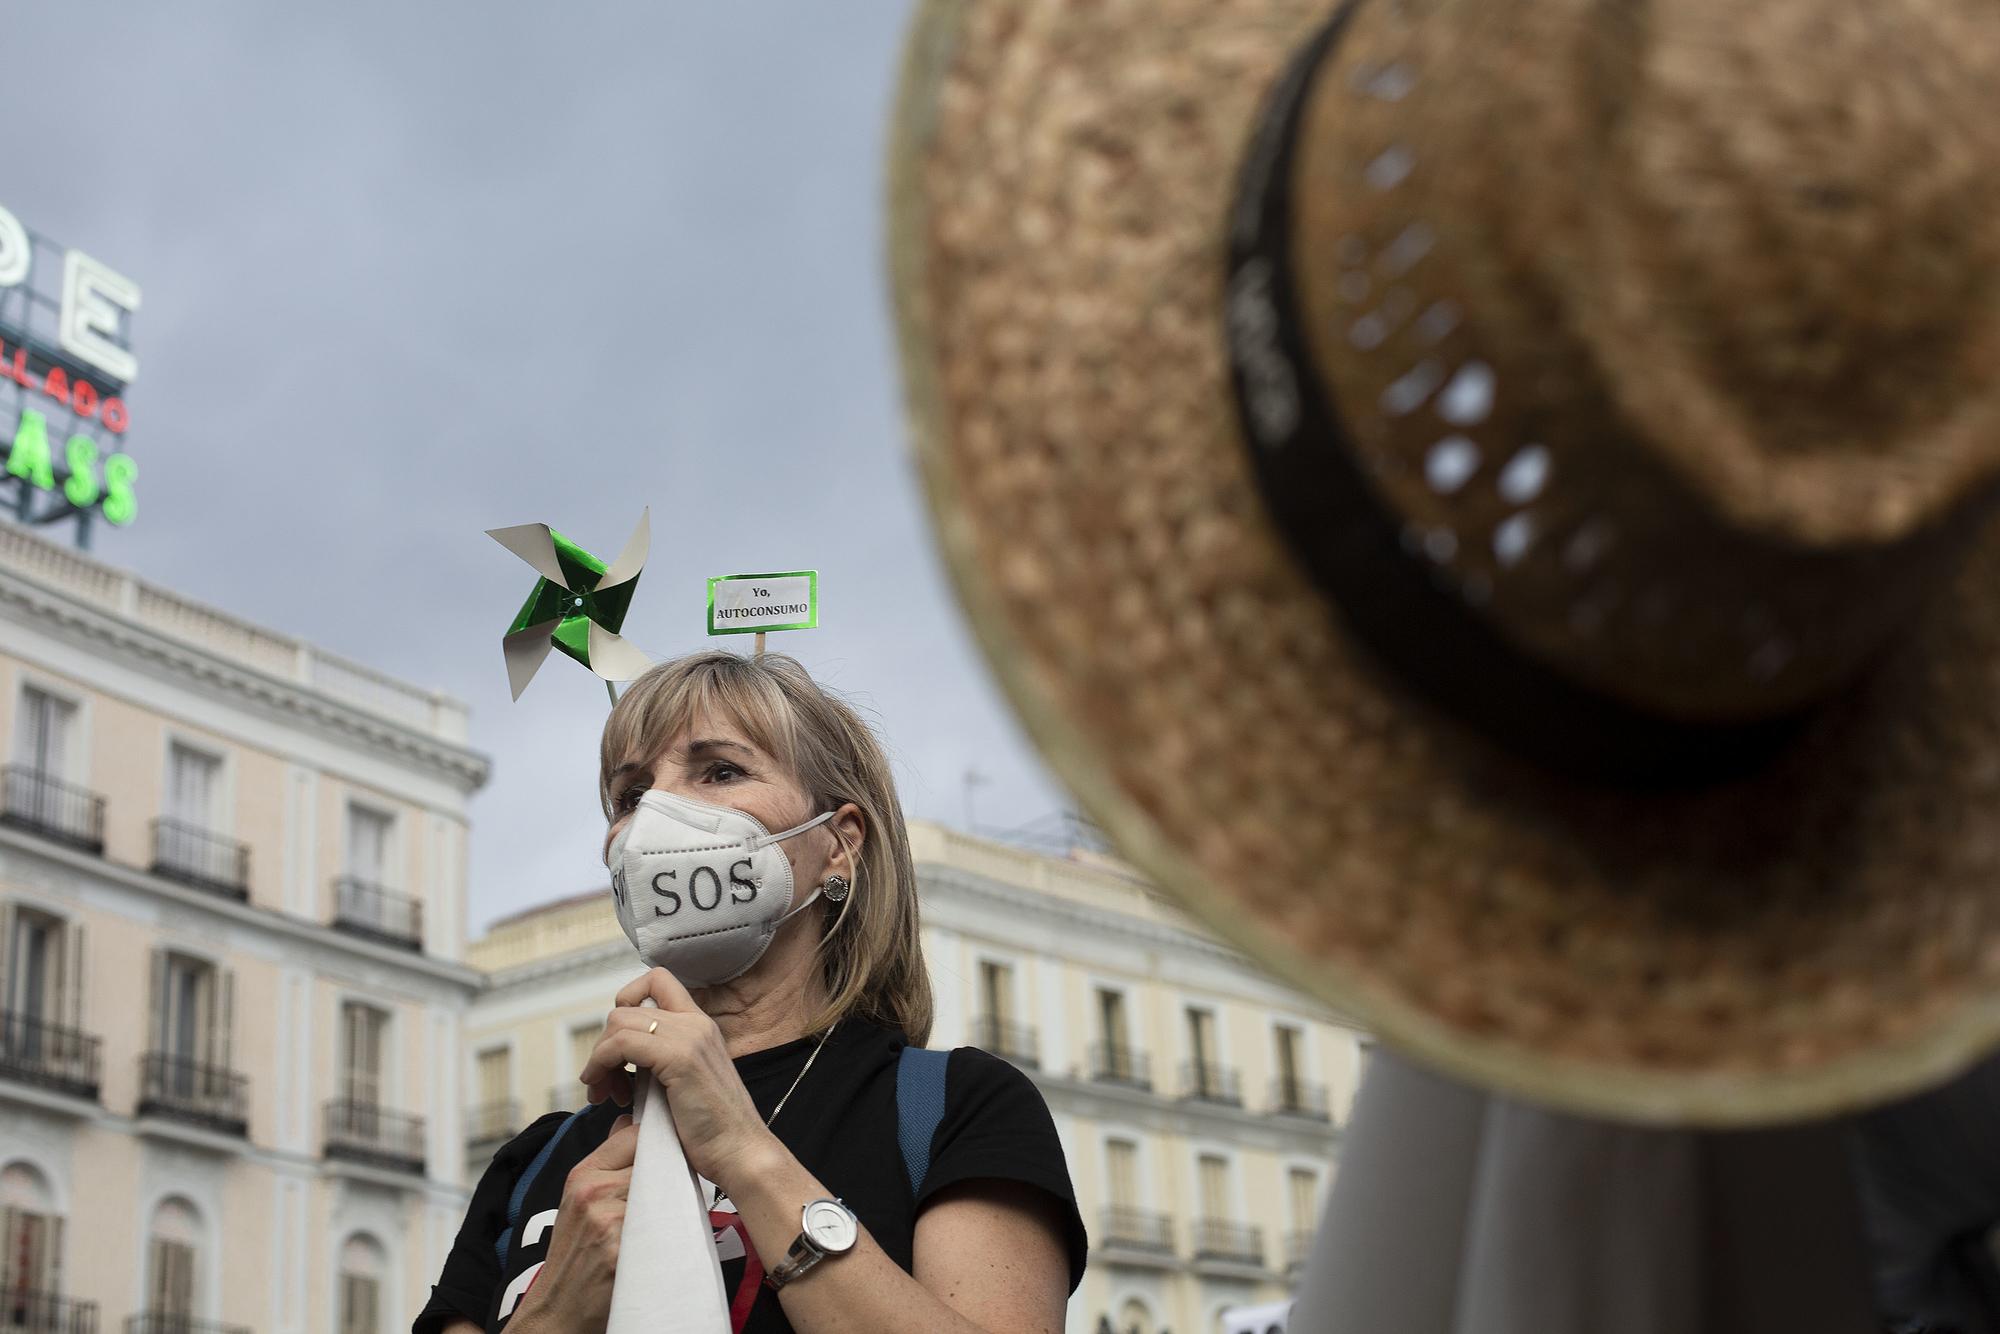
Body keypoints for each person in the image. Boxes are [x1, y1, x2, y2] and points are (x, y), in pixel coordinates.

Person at [414, 651, 1086, 1334]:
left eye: (721, 771)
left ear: (838, 846)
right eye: (630, 795)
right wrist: (555, 1314)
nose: (658, 816)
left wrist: (743, 1151)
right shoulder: (540, 1160)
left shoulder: (957, 1109)